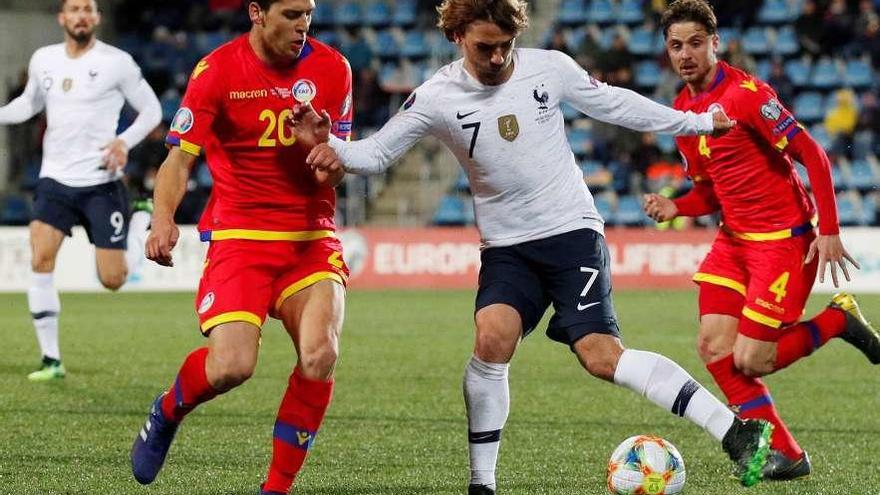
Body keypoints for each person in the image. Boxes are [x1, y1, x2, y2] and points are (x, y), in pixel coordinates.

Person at [292, 0, 776, 491]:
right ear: (457, 36)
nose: (499, 57)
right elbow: (377, 151)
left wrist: (696, 122)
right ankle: (482, 483)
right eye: (486, 47)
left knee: (601, 356)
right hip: (507, 246)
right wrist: (336, 148)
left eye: (506, 45)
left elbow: (617, 104)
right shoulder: (438, 95)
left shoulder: (549, 68)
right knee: (490, 340)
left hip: (571, 234)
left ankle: (737, 433)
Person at [644, 0, 880, 481]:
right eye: (675, 45)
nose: (685, 54)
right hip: (734, 241)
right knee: (713, 347)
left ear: (715, 43)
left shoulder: (749, 95)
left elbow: (813, 155)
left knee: (753, 360)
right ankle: (785, 454)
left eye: (694, 43)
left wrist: (830, 230)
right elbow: (709, 190)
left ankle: (837, 320)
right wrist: (677, 206)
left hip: (783, 241)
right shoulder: (683, 111)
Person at [128, 1, 353, 494]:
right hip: (241, 237)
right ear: (256, 12)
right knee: (231, 367)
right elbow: (179, 158)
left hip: (310, 236)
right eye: (292, 13)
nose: (303, 25)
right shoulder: (218, 71)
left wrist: (319, 147)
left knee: (320, 354)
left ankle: (275, 489)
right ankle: (169, 409)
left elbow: (334, 168)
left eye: (309, 13)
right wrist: (162, 218)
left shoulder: (334, 68)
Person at [0, 0, 161, 381]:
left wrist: (123, 142)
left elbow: (152, 110)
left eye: (88, 9)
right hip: (54, 181)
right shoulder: (44, 59)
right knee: (40, 260)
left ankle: (140, 218)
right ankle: (51, 360)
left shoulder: (117, 62)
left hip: (100, 183)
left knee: (113, 279)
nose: (81, 15)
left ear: (97, 18)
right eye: (74, 9)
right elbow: (28, 105)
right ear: (62, 17)